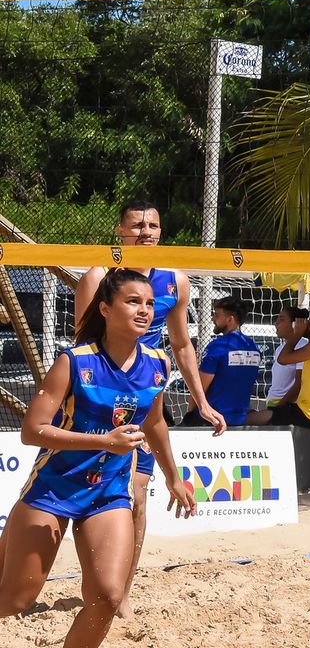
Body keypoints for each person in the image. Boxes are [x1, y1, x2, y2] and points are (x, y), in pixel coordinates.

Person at [0, 269, 197, 646]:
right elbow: (32, 430)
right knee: (14, 600)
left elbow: (154, 423)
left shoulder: (158, 363)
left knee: (108, 596)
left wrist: (173, 477)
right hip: (54, 487)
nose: (145, 310)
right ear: (105, 309)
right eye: (133, 301)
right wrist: (104, 442)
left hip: (109, 491)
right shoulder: (73, 361)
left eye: (150, 303)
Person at [72, 200, 222, 619]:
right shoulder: (100, 277)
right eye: (137, 225)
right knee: (74, 494)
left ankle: (119, 592)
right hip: (98, 404)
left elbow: (182, 344)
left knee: (137, 495)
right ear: (119, 231)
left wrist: (201, 401)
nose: (146, 231)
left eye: (153, 225)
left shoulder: (175, 279)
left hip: (144, 401)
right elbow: (81, 346)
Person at [246, 311, 310, 429]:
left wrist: (297, 334)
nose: (308, 323)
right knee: (257, 413)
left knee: (259, 417)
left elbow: (283, 359)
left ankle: (231, 422)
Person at [181, 296, 261, 428]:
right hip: (239, 419)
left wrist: (189, 415)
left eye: (217, 315)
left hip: (211, 420)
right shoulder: (253, 347)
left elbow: (200, 387)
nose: (213, 319)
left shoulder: (218, 347)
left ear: (230, 319)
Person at [262, 306, 310, 411]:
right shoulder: (280, 348)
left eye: (282, 319)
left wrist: (280, 408)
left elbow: (299, 384)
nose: (276, 323)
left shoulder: (302, 345)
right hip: (273, 403)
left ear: (294, 324)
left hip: (285, 406)